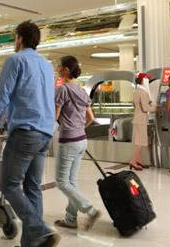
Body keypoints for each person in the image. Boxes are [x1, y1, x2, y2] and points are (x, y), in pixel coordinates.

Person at [0, 21, 59, 247]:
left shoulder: (16, 60)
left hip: (26, 132)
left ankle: (40, 228)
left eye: (15, 37)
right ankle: (31, 244)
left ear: (20, 38)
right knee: (33, 188)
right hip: (45, 133)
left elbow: (1, 97)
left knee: (9, 186)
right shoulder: (46, 64)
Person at [53, 55, 102, 231]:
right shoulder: (81, 90)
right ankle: (70, 219)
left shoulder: (62, 90)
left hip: (68, 141)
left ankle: (90, 210)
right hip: (82, 140)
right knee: (71, 181)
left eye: (58, 66)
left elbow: (55, 117)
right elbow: (91, 118)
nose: (57, 69)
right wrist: (79, 127)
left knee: (61, 181)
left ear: (66, 70)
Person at [130, 73, 155, 170]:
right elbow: (145, 108)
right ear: (144, 81)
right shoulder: (143, 92)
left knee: (137, 141)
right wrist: (155, 107)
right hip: (141, 120)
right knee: (140, 142)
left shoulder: (136, 91)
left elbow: (135, 105)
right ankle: (133, 161)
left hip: (136, 118)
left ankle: (139, 161)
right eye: (148, 81)